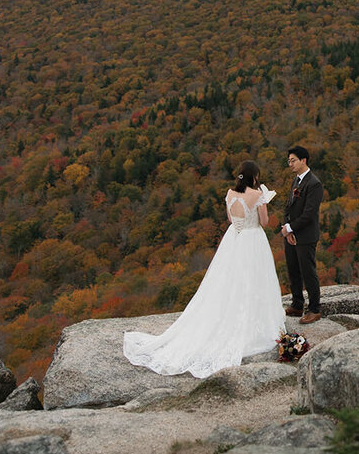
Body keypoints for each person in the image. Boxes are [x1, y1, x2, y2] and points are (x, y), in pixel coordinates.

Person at [122, 160, 286, 377]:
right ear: (255, 177)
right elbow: (264, 222)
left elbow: (231, 219)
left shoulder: (229, 194)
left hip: (234, 239)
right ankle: (251, 320)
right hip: (253, 240)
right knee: (254, 280)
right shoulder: (257, 195)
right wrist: (263, 201)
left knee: (227, 281)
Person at [282, 145, 323, 324]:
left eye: (293, 160)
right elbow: (289, 206)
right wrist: (286, 226)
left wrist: (291, 228)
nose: (290, 164)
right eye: (289, 161)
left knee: (308, 272)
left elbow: (309, 213)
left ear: (303, 160)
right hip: (292, 233)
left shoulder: (314, 183)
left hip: (305, 235)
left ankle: (314, 309)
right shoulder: (296, 181)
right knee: (293, 270)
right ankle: (297, 303)